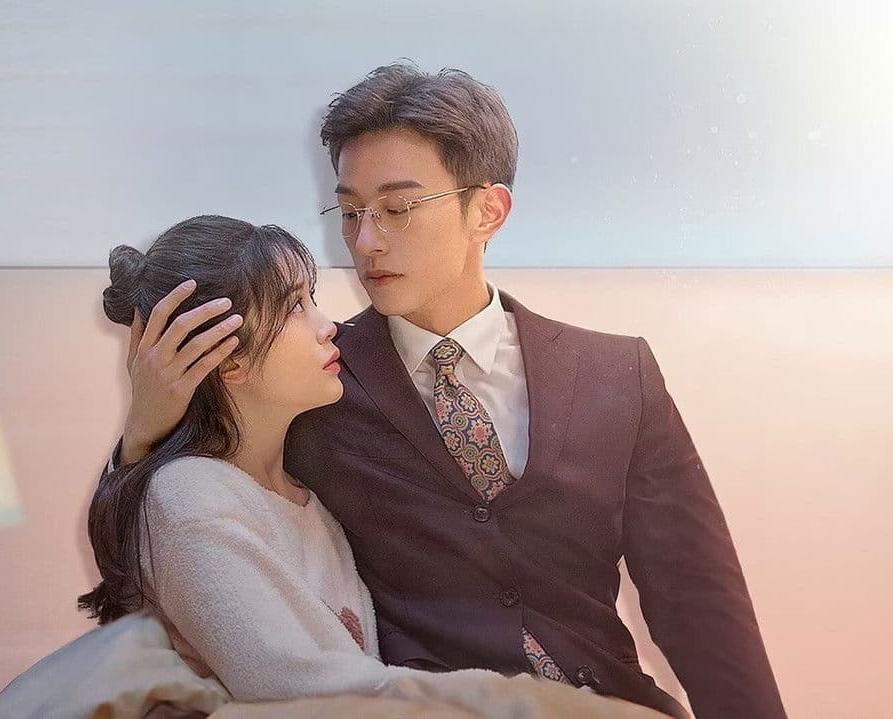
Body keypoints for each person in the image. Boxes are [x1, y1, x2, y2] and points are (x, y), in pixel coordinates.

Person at [101, 64, 786, 719]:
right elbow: (178, 546)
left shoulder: (618, 374)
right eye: (350, 212)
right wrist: (141, 437)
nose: (365, 242)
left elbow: (699, 598)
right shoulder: (315, 385)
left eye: (397, 207)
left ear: (487, 210)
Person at [76, 214, 661, 718]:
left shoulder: (306, 498)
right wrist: (526, 703)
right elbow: (299, 686)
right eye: (295, 307)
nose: (328, 325)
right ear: (225, 358)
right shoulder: (191, 494)